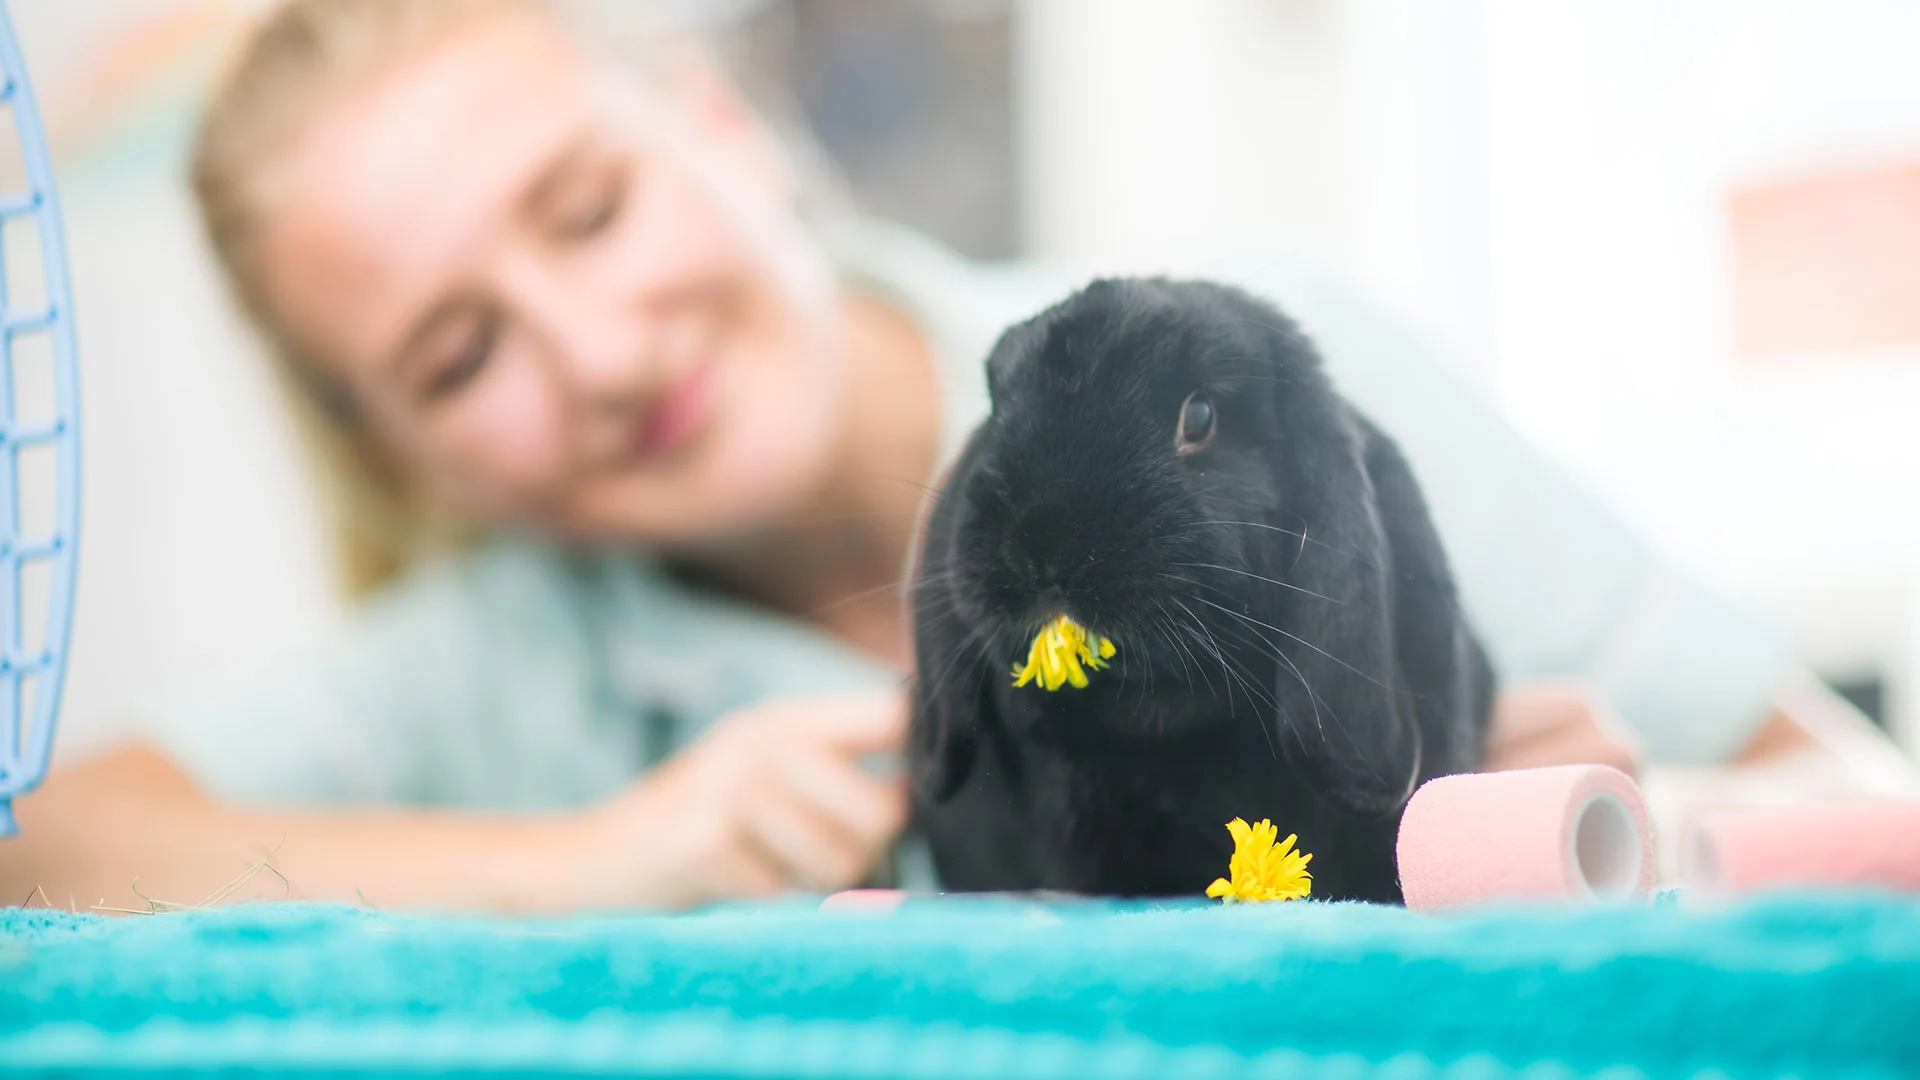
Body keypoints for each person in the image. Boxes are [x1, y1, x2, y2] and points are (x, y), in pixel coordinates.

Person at [3, 0, 1908, 913]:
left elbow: (1857, 806)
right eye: (459, 352)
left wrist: (1603, 842)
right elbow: (40, 844)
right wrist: (599, 854)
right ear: (412, 452)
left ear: (723, 135)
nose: (591, 354)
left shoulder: (1266, 370)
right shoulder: (514, 663)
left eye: (584, 212)